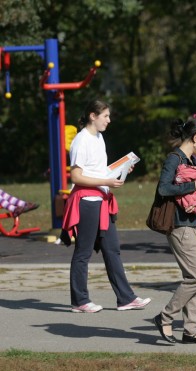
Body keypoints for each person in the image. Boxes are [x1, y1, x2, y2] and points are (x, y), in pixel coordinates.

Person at [61, 100, 151, 313]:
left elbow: (97, 171)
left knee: (112, 250)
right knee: (83, 252)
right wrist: (107, 182)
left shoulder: (99, 138)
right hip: (87, 202)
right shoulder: (81, 141)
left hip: (102, 202)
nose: (109, 120)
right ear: (93, 116)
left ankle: (126, 298)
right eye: (106, 116)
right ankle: (80, 301)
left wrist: (118, 170)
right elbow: (76, 176)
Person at [153, 117, 196, 344]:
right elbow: (164, 189)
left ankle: (190, 330)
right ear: (195, 138)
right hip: (180, 226)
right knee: (195, 278)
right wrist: (193, 185)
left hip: (195, 225)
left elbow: (191, 194)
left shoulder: (189, 159)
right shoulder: (174, 159)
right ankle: (165, 317)